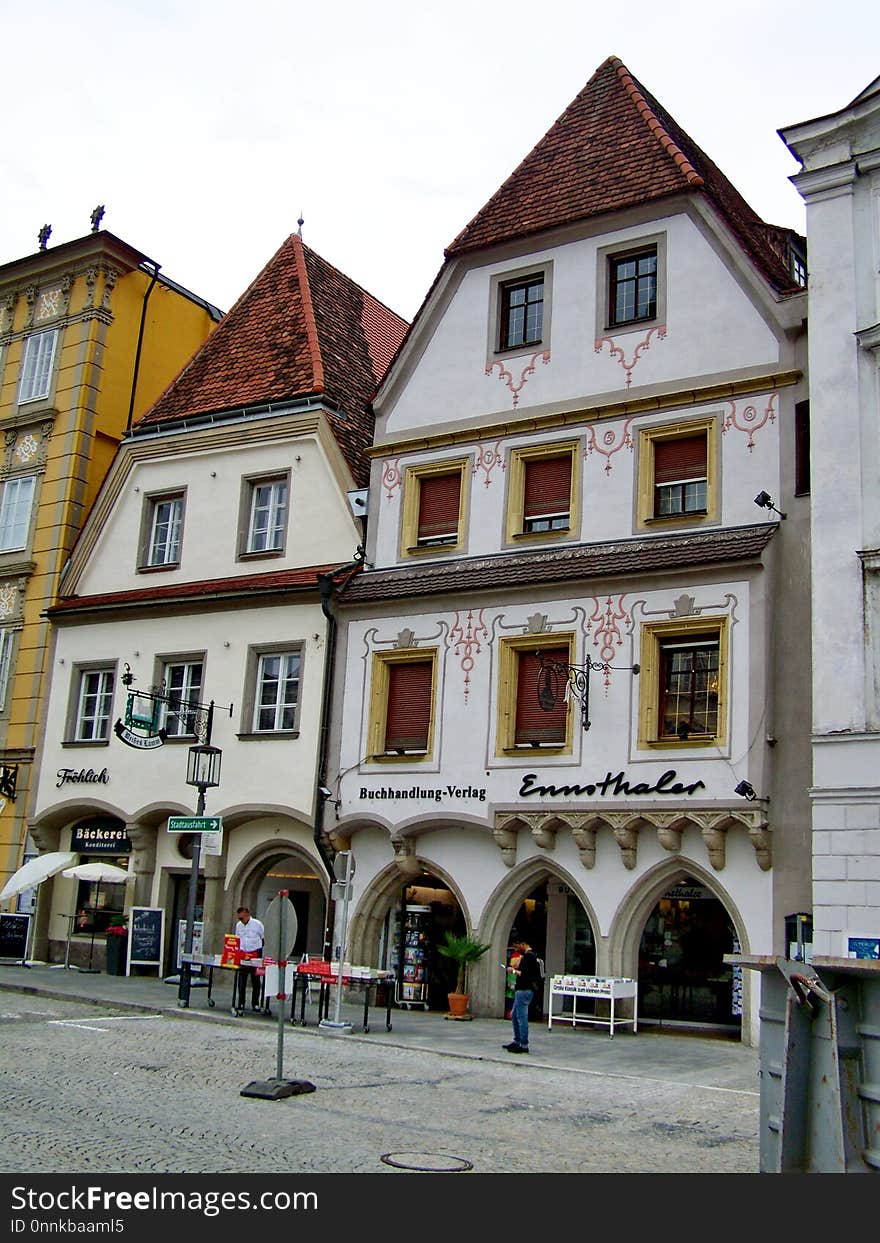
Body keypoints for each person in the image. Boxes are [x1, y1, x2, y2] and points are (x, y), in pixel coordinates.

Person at [505, 938, 542, 1053]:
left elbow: (525, 974)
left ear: (523, 944)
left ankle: (523, 1044)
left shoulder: (528, 957)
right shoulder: (531, 957)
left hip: (524, 990)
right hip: (523, 990)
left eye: (517, 947)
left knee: (521, 1017)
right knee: (515, 1015)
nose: (516, 949)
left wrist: (513, 971)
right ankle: (517, 1040)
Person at [234, 905, 264, 1013]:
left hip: (255, 952)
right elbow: (237, 938)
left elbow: (262, 937)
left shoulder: (257, 924)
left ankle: (255, 1003)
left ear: (247, 915)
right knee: (242, 979)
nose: (240, 921)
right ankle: (241, 1002)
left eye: (242, 918)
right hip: (243, 953)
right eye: (239, 918)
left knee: (255, 979)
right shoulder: (239, 926)